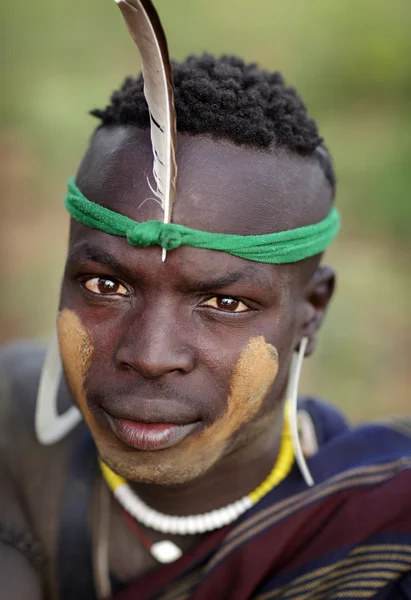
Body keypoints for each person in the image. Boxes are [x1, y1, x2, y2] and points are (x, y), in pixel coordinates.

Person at [1, 49, 410, 600]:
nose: (149, 354)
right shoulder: (10, 429)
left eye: (225, 302)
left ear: (312, 308)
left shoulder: (382, 535)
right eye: (106, 286)